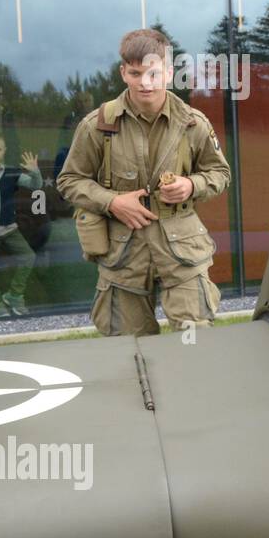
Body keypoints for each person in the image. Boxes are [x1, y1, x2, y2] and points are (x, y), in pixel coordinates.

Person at [57, 29, 231, 336]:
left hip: (182, 248)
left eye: (153, 73)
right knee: (130, 348)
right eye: (136, 73)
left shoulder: (193, 123)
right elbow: (70, 180)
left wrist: (191, 186)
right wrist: (112, 202)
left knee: (195, 340)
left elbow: (220, 174)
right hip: (124, 252)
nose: (145, 83)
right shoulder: (97, 125)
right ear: (123, 72)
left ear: (168, 71)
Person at [0, 135, 41, 317]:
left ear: (4, 151)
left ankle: (14, 295)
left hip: (9, 229)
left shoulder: (11, 173)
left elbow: (36, 186)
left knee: (28, 257)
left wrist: (35, 172)